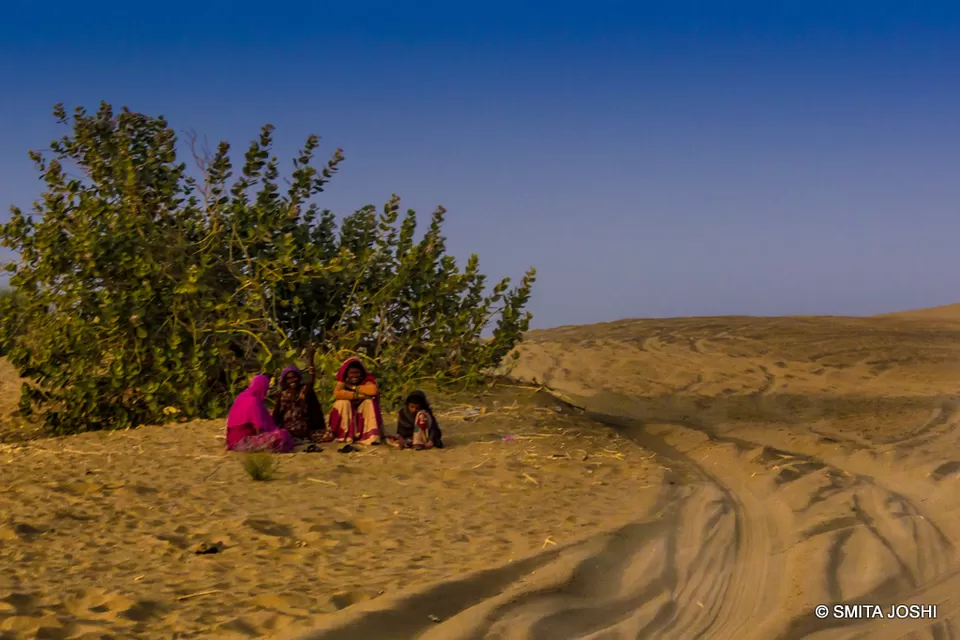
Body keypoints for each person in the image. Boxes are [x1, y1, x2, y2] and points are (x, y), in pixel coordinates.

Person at [272, 343, 329, 444]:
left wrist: (311, 358)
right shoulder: (283, 394)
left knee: (328, 435)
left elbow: (311, 380)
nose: (292, 380)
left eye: (294, 377)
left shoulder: (304, 390)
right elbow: (277, 415)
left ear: (299, 378)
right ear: (285, 381)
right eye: (289, 378)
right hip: (288, 429)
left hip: (305, 429)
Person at [225, 374, 295, 453]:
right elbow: (259, 429)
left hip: (233, 442)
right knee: (282, 435)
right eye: (266, 389)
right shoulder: (254, 402)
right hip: (244, 443)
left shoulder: (242, 397)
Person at [327, 358, 383, 445]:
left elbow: (373, 391)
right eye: (352, 373)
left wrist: (354, 388)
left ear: (361, 373)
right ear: (347, 374)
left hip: (361, 413)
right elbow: (337, 394)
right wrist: (358, 395)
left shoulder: (367, 379)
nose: (355, 376)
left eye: (357, 373)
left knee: (368, 402)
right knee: (342, 403)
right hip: (348, 412)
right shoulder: (343, 381)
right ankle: (344, 435)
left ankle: (370, 436)